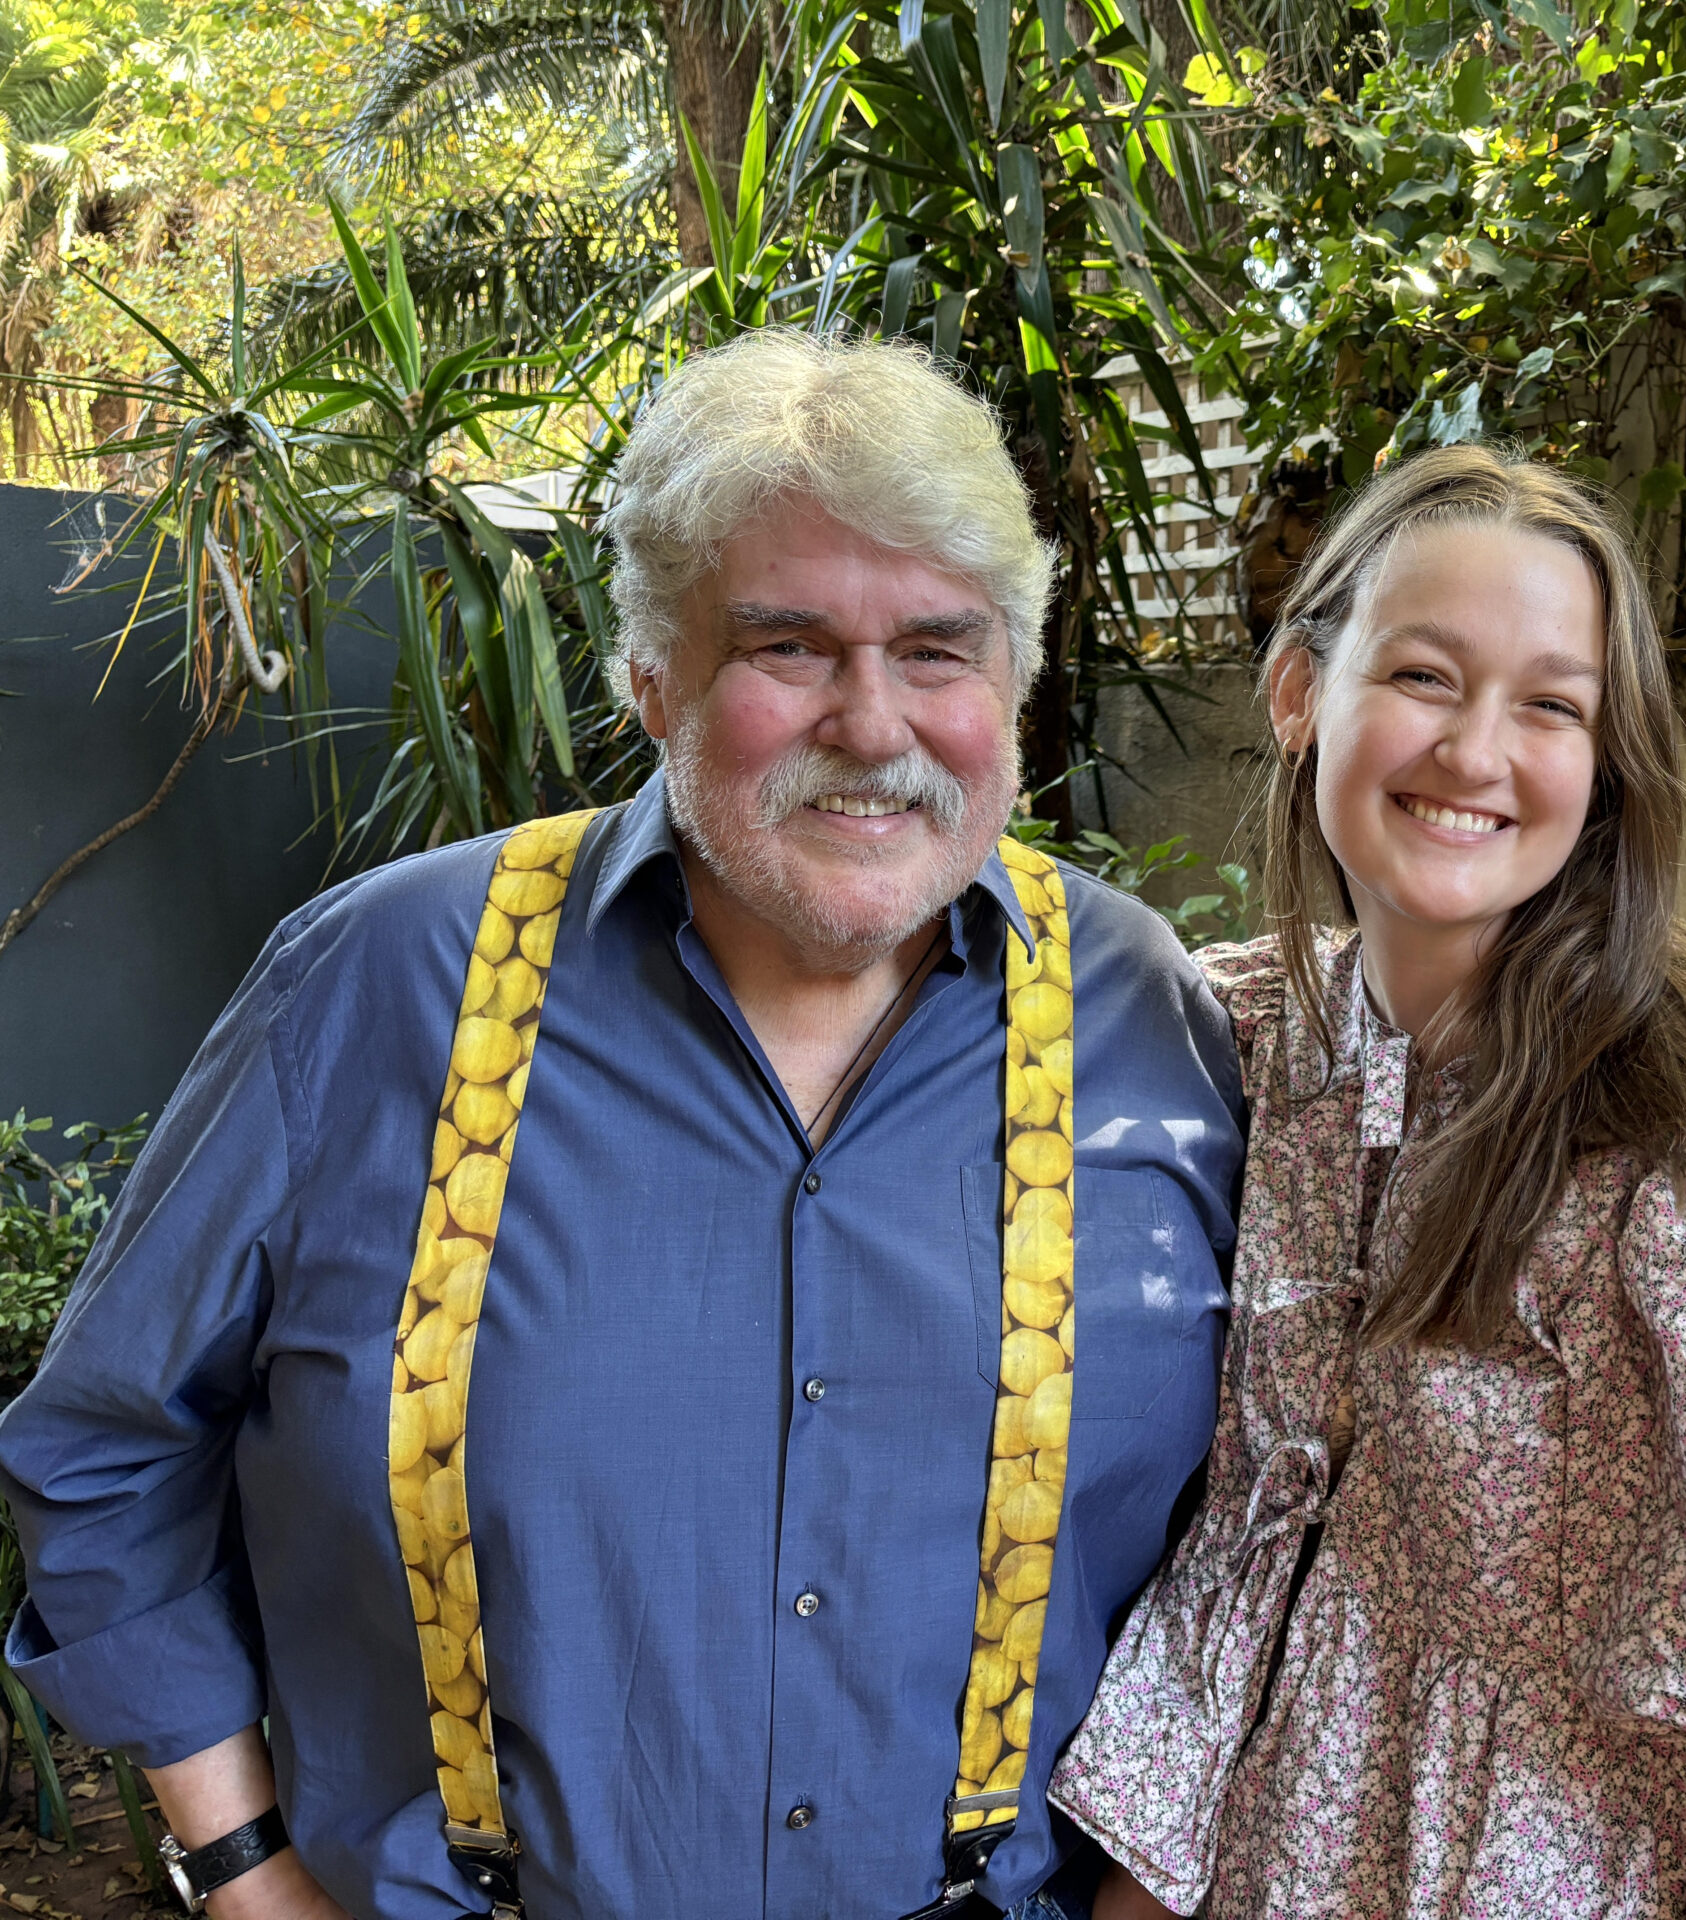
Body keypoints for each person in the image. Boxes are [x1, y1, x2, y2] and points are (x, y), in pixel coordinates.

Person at [0, 329, 1243, 1920]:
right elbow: (103, 1449)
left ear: (1013, 674)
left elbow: (1266, 1534)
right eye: (788, 648)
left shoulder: (1152, 1017)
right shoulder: (381, 984)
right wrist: (239, 1865)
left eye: (939, 650)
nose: (874, 725)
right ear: (652, 674)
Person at [1047, 445, 1686, 1920]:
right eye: (1427, 677)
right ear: (1298, 693)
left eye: (1552, 706)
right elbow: (1263, 1574)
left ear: (1606, 760)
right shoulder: (1249, 1042)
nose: (1476, 752)